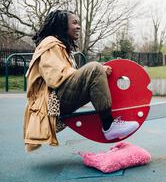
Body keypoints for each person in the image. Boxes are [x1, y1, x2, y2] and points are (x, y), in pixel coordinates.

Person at [23, 10, 139, 152]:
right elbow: (55, 77)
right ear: (62, 25)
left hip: (56, 99)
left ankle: (109, 122)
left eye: (78, 23)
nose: (78, 27)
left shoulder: (61, 46)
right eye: (74, 23)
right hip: (51, 103)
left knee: (95, 70)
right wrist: (94, 71)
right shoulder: (50, 44)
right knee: (94, 68)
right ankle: (109, 126)